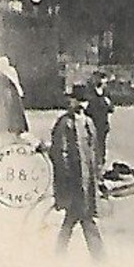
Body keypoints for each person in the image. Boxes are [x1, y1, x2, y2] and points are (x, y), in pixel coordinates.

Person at [48, 84, 104, 258]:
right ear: (70, 101)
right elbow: (60, 153)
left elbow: (95, 150)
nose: (80, 105)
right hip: (73, 180)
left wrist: (98, 175)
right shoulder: (65, 124)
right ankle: (99, 257)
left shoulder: (88, 122)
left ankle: (60, 254)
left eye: (83, 101)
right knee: (83, 219)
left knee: (75, 218)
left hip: (87, 180)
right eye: (77, 101)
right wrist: (66, 179)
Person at [0, 56, 28, 138]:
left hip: (10, 97)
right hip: (8, 97)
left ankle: (14, 129)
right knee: (7, 113)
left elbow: (11, 86)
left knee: (11, 113)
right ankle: (9, 129)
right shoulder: (4, 74)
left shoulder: (8, 73)